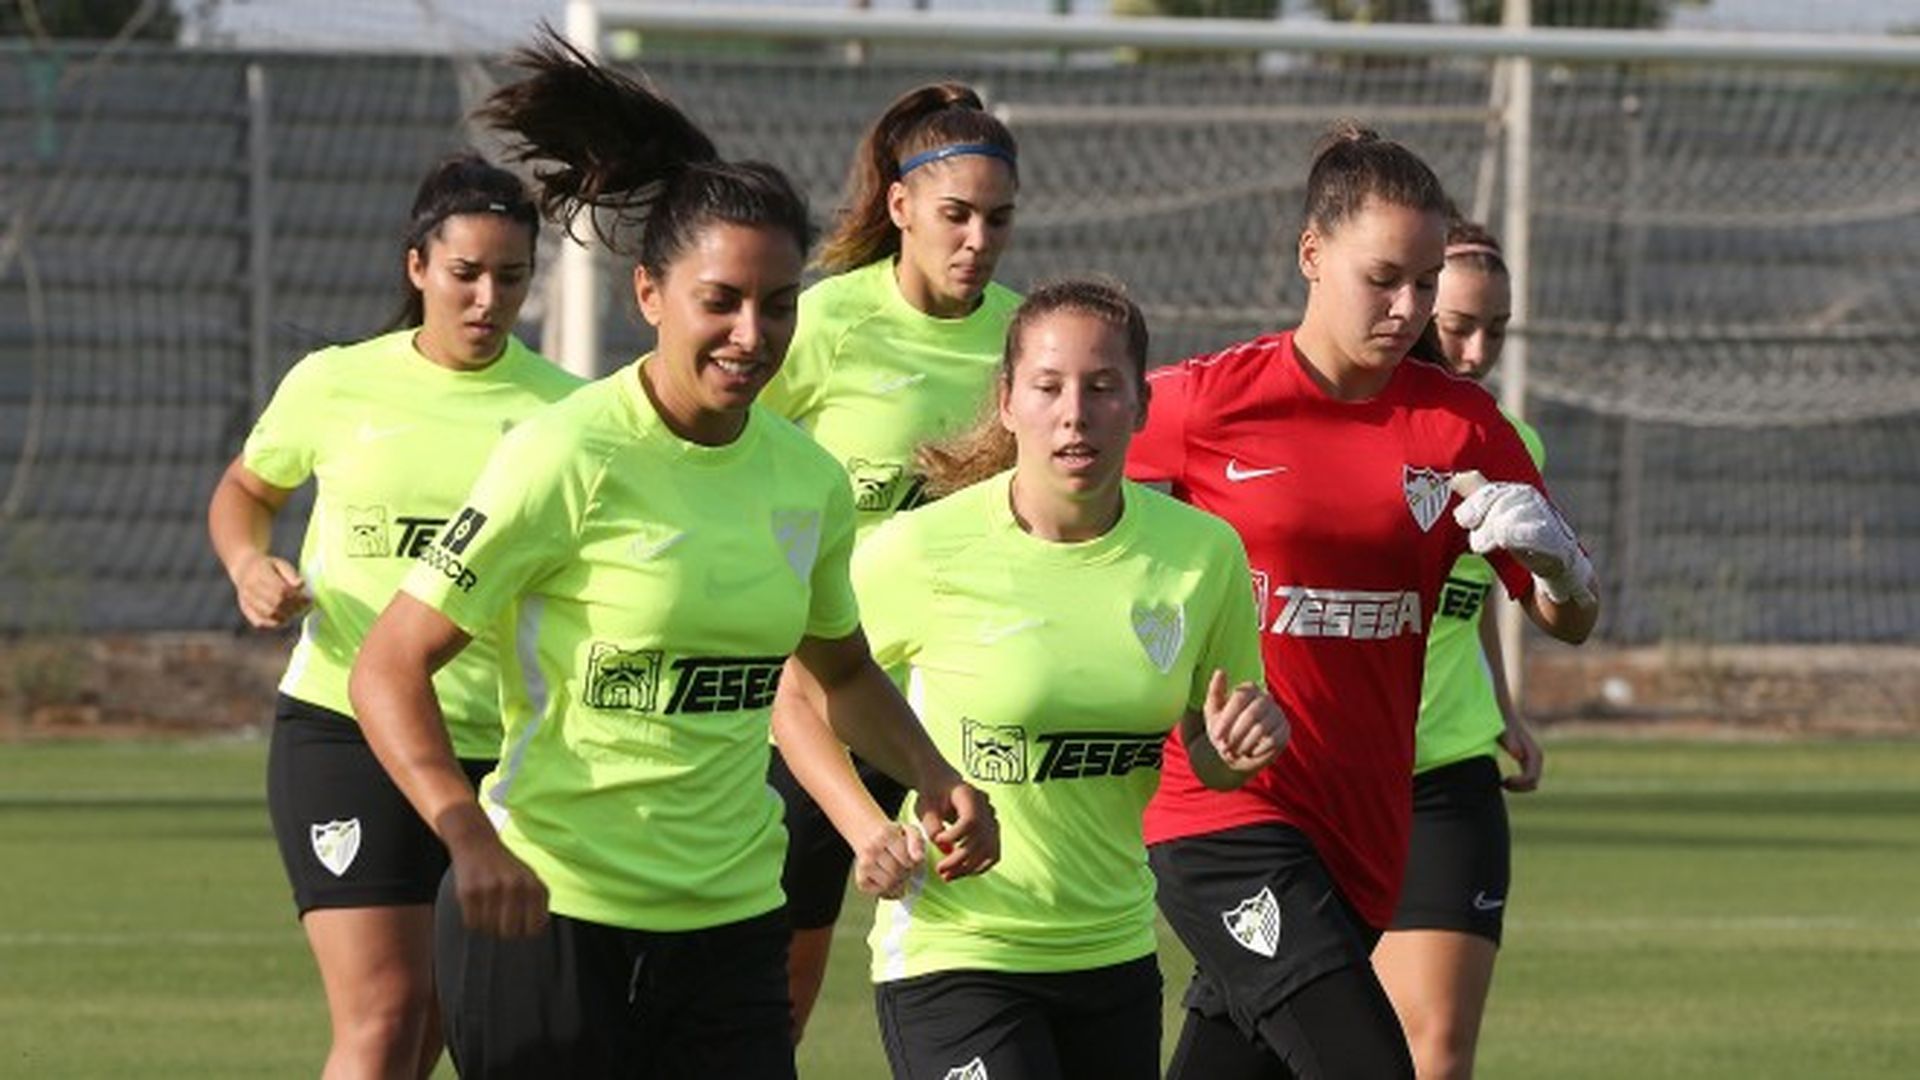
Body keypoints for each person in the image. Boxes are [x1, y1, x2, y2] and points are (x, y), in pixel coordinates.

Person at [344, 35, 995, 1079]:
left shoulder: (805, 479)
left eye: (777, 303)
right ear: (649, 294)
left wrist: (933, 773)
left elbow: (843, 671)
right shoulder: (565, 453)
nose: (752, 332)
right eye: (721, 301)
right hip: (550, 915)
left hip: (735, 925)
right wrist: (466, 833)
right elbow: (387, 664)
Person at [1126, 126, 1601, 1080]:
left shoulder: (1462, 424)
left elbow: (1572, 620)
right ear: (1311, 254)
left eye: (1425, 283)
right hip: (1225, 817)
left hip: (1367, 835)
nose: (1409, 307)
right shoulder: (1199, 403)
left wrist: (1560, 569)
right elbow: (1057, 485)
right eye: (1383, 278)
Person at [774, 278, 1290, 1080]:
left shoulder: (1203, 555)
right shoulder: (922, 551)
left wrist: (1242, 746)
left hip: (1110, 949)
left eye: (1103, 387)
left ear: (1142, 407)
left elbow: (1214, 753)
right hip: (957, 953)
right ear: (1009, 402)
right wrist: (866, 830)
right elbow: (799, 698)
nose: (1074, 413)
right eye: (1048, 388)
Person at [204, 153, 582, 1078]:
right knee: (383, 1016)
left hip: (502, 753)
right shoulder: (335, 383)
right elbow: (243, 493)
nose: (488, 298)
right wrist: (251, 564)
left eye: (512, 277)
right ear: (418, 268)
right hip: (345, 729)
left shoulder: (566, 415)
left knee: (433, 1030)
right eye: (465, 274)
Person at [755, 80, 1022, 1042]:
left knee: (993, 962)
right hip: (818, 699)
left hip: (963, 702)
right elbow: (726, 456)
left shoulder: (1025, 343)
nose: (977, 241)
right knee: (772, 996)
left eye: (998, 219)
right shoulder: (824, 325)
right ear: (900, 205)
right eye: (955, 215)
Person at [1374, 221, 1546, 1080]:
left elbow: (1480, 589)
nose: (1479, 351)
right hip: (1332, 775)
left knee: (1438, 1049)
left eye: (1498, 329)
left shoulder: (1506, 444)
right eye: (1461, 326)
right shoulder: (1336, 432)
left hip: (1449, 776)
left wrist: (1506, 710)